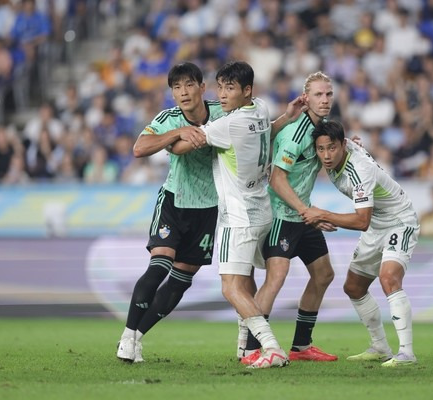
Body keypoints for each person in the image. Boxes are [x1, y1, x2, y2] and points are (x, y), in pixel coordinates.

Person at [173, 61, 294, 368]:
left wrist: (174, 133)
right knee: (246, 281)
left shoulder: (227, 125)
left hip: (237, 217)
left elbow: (179, 148)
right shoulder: (262, 109)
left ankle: (271, 347)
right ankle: (245, 349)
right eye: (220, 87)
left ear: (247, 91)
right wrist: (287, 116)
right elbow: (268, 132)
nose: (222, 95)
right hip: (260, 211)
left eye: (230, 88)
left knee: (230, 287)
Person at [116, 62, 225, 363]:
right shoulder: (168, 118)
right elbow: (139, 148)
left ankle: (138, 337)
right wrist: (178, 132)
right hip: (174, 202)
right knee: (159, 265)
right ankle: (127, 335)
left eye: (189, 84)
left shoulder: (222, 113)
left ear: (203, 88)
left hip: (208, 207)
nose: (183, 92)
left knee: (181, 278)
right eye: (176, 87)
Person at [301, 120, 419, 366]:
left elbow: (361, 220)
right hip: (377, 224)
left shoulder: (359, 170)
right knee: (354, 287)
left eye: (331, 148)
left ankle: (406, 353)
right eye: (321, 149)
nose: (326, 155)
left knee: (389, 278)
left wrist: (322, 214)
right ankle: (380, 347)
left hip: (399, 221)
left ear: (342, 145)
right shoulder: (340, 155)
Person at [241, 71, 338, 364]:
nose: (325, 100)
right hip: (282, 215)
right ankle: (251, 348)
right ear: (306, 98)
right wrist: (306, 211)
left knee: (324, 274)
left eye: (329, 94)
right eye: (319, 95)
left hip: (301, 214)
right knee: (276, 278)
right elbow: (277, 179)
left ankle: (301, 346)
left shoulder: (319, 130)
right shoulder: (296, 132)